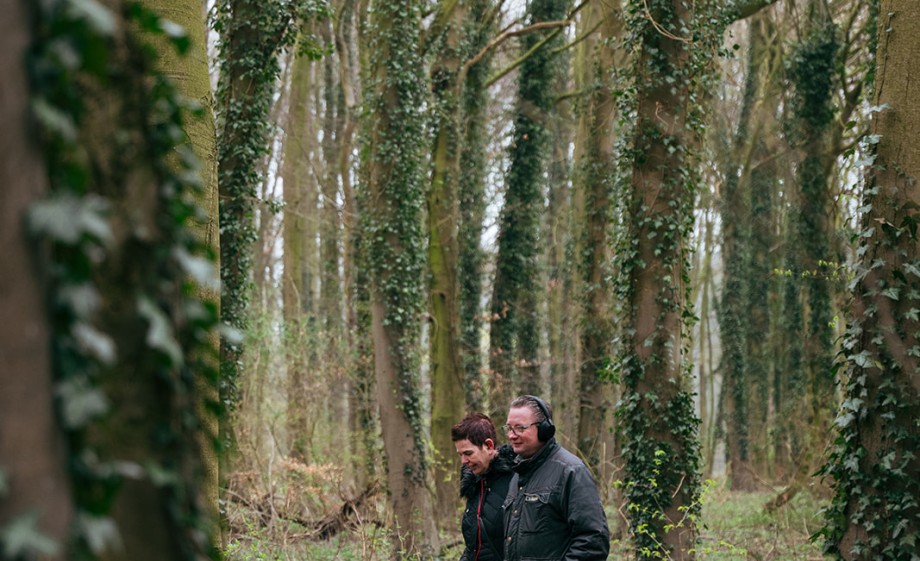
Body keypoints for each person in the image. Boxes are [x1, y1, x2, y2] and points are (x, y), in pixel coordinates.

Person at [502, 395, 610, 561]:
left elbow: (594, 541)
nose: (512, 435)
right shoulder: (517, 474)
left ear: (545, 429)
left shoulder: (571, 471)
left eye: (520, 428)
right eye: (509, 428)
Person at [452, 413, 516, 561]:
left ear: (489, 446)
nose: (463, 461)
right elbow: (473, 547)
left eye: (468, 453)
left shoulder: (516, 480)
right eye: (460, 454)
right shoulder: (474, 483)